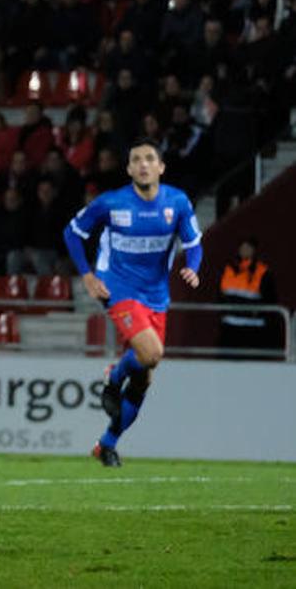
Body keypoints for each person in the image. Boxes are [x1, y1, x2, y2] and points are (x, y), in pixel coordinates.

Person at [62, 139, 202, 468]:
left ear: (160, 167)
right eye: (136, 159)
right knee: (152, 353)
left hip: (156, 295)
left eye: (149, 158)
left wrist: (192, 268)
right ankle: (113, 376)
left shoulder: (177, 203)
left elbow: (194, 242)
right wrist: (86, 276)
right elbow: (72, 232)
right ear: (128, 169)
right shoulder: (112, 203)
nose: (142, 164)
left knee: (144, 377)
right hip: (117, 288)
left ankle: (107, 443)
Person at [217, 237, 278, 355]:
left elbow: (270, 300)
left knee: (252, 366)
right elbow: (220, 295)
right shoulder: (228, 269)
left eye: (248, 248)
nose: (245, 250)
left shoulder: (262, 272)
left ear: (254, 251)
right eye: (243, 247)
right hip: (229, 328)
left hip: (253, 329)